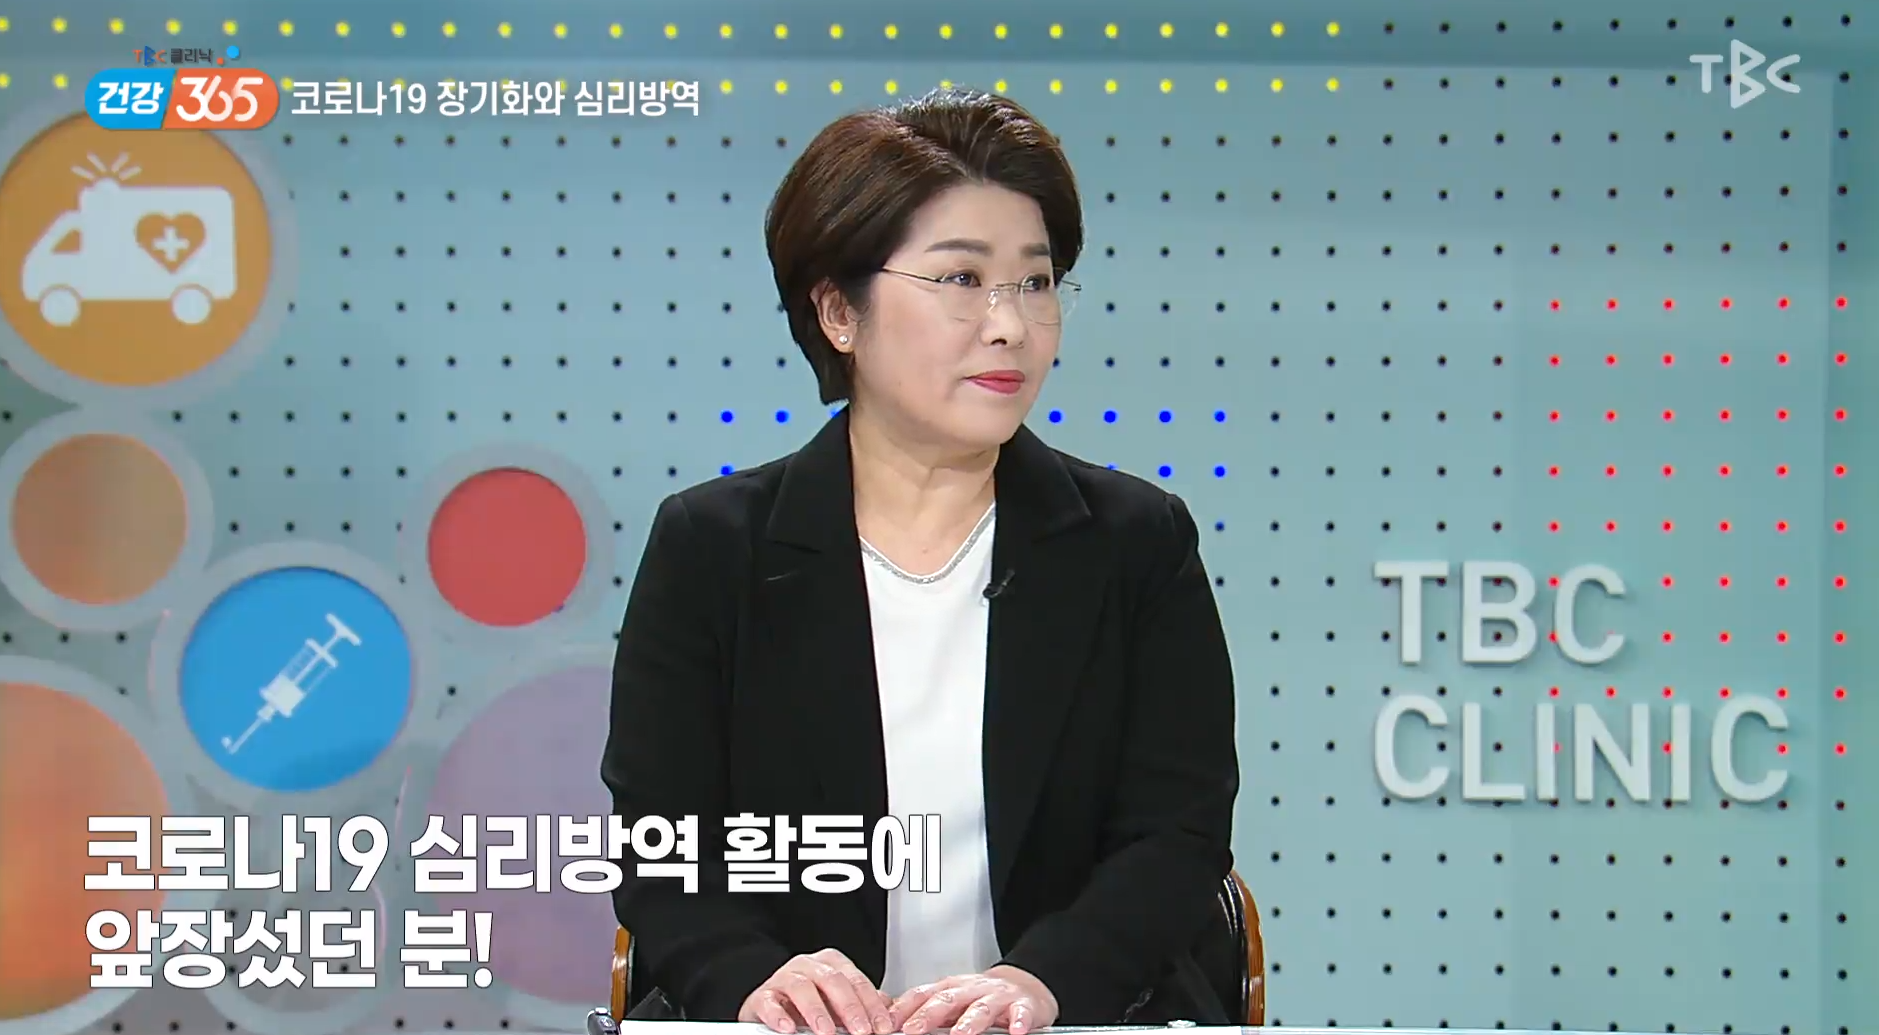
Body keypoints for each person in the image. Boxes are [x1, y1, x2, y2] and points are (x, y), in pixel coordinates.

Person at [603, 88, 1239, 1035]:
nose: (1009, 325)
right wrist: (757, 978)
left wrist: (1041, 982)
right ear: (838, 311)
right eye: (961, 279)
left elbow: (1177, 833)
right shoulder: (713, 546)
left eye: (1035, 282)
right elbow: (659, 846)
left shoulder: (1133, 541)